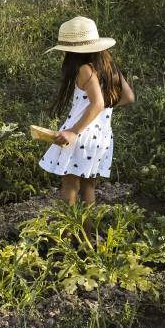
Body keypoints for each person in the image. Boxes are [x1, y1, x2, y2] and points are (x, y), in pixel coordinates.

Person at [39, 16, 135, 206]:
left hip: (82, 134)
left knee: (70, 184)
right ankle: (89, 225)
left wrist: (73, 131)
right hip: (101, 136)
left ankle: (68, 225)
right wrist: (101, 112)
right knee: (88, 186)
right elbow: (128, 97)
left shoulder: (85, 69)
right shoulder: (110, 67)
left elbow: (97, 103)